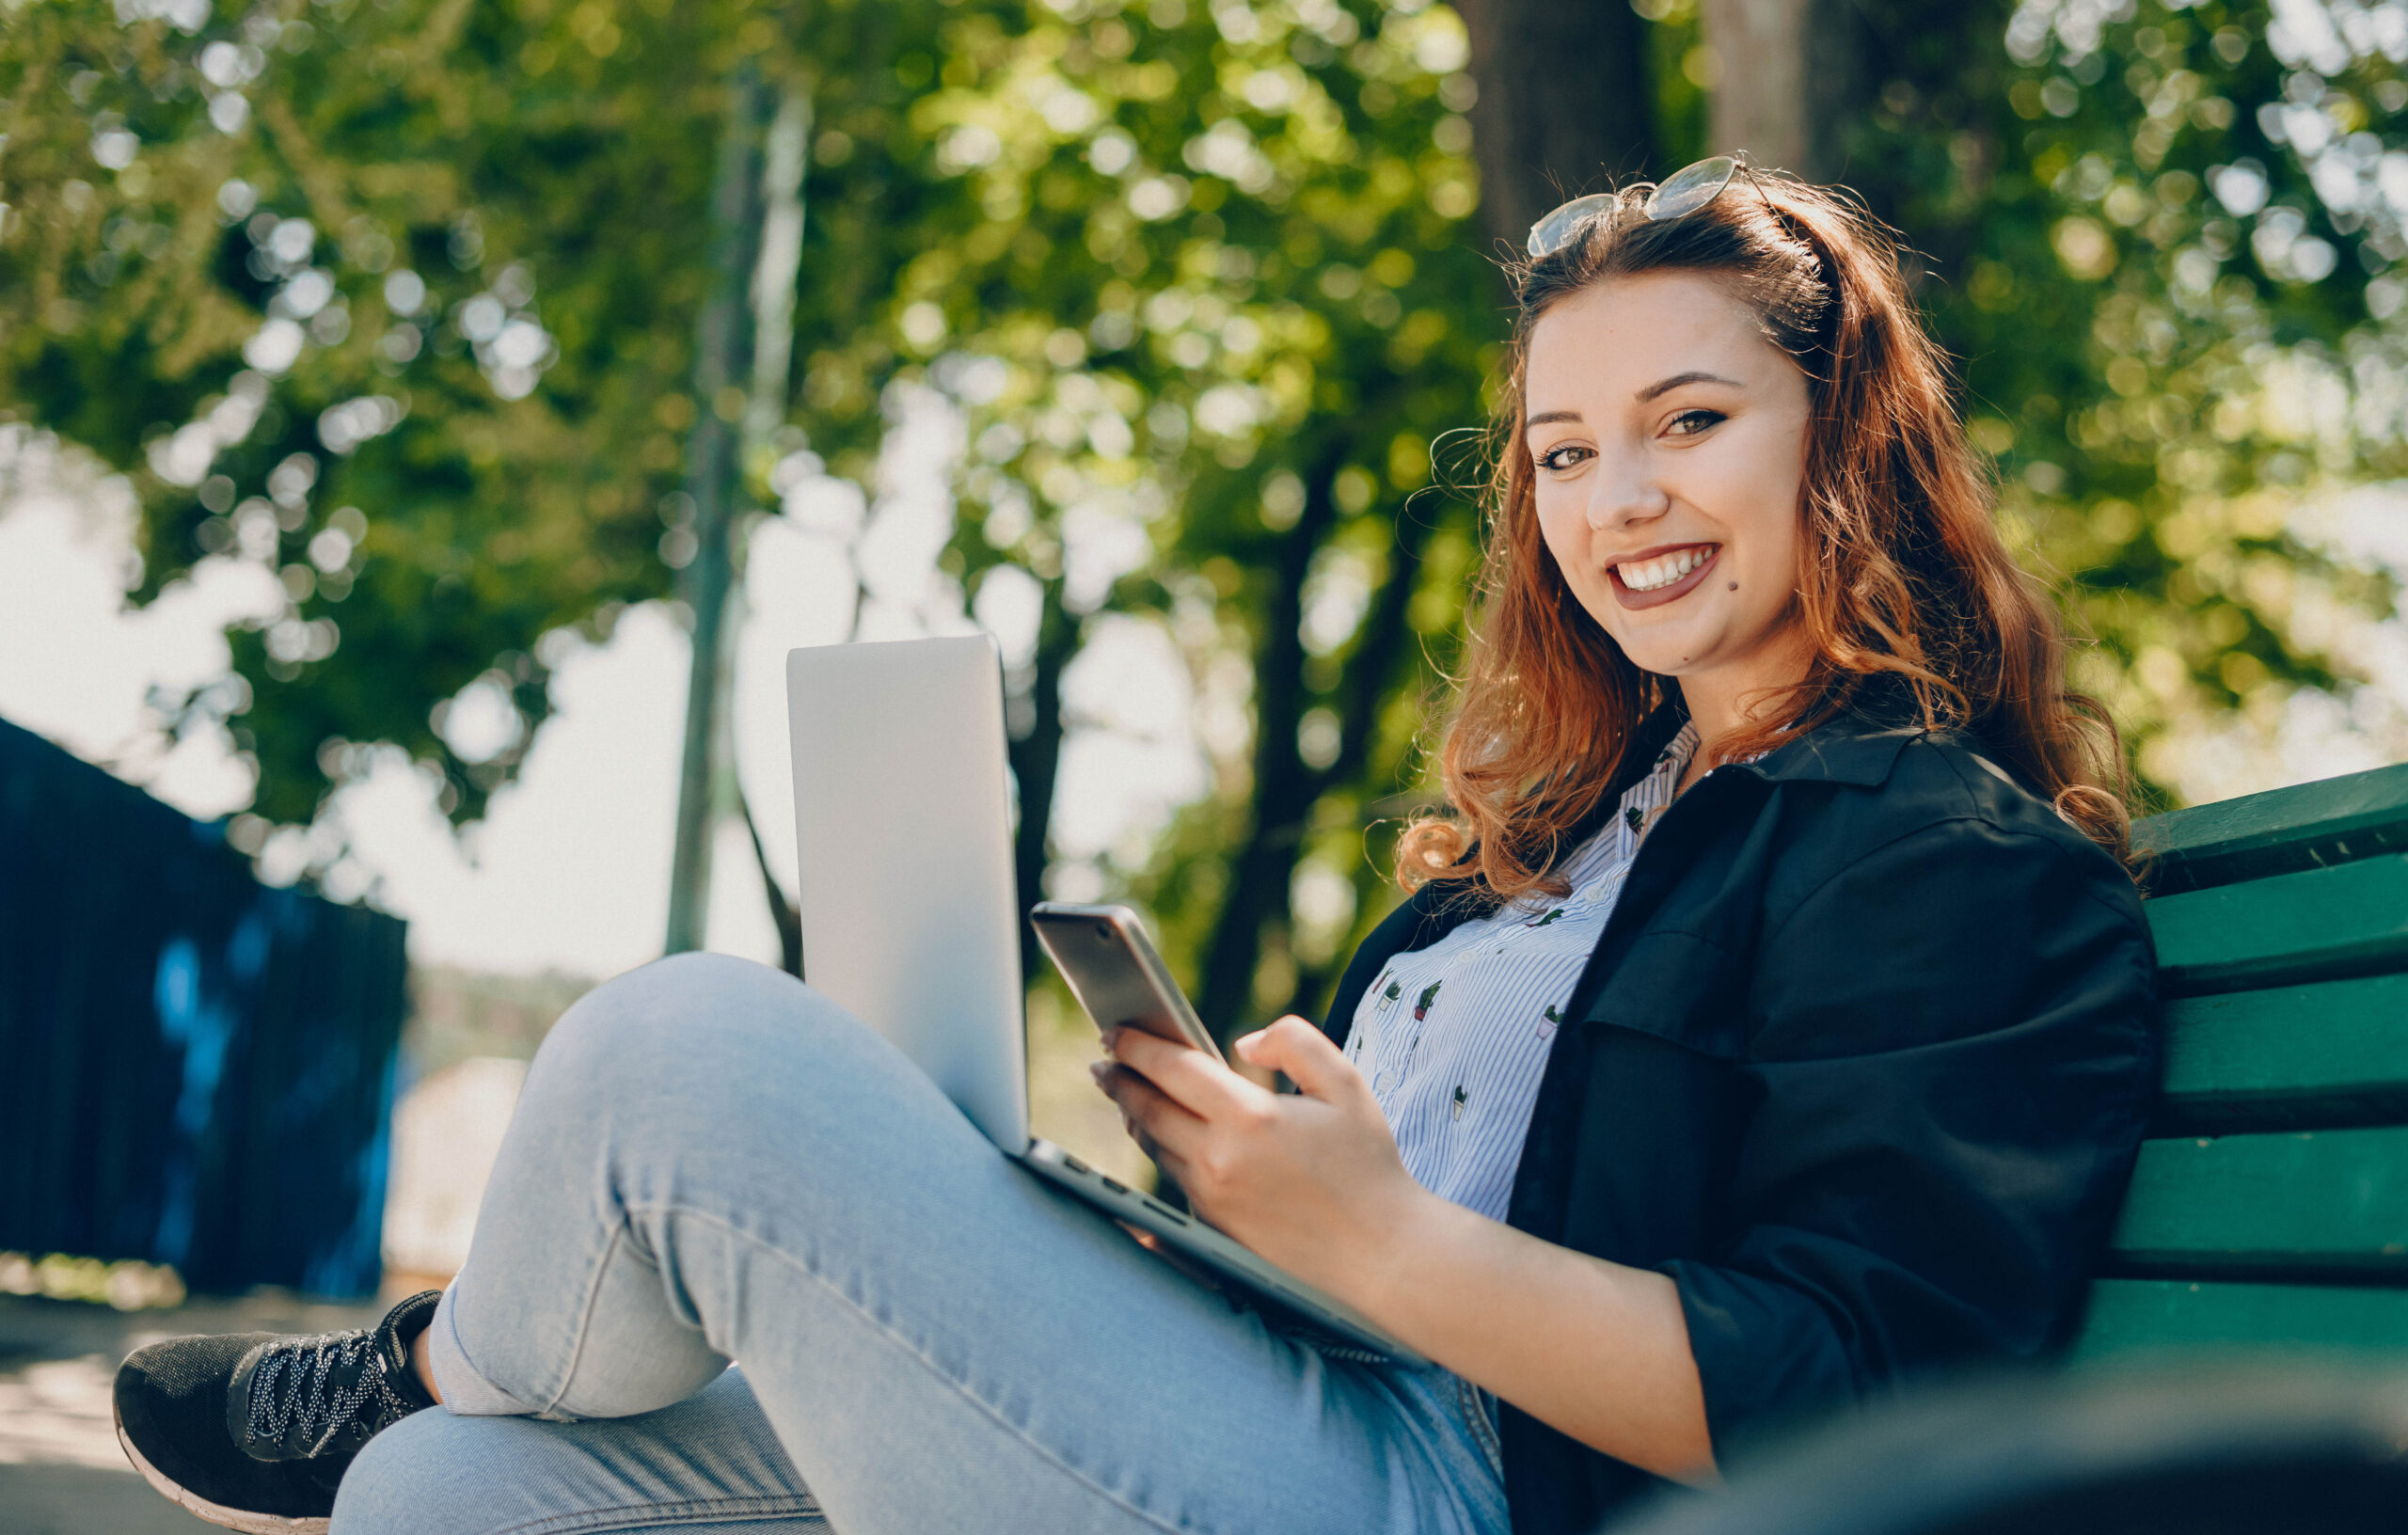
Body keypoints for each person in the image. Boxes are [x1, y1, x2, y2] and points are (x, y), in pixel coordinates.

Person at [112, 159, 2158, 1535]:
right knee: (457, 1499)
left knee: (686, 1055)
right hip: (1293, 1388)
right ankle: (443, 1406)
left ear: (1840, 433)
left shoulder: (1943, 860)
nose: (1616, 499)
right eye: (1562, 451)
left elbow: (1869, 1395)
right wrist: (1241, 1192)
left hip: (1463, 1492)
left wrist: (1384, 1243)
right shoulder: (1570, 836)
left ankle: (424, 1360)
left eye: (1688, 423)